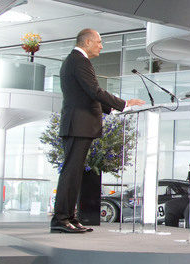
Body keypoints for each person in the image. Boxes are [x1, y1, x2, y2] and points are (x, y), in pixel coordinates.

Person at [51, 29, 143, 233]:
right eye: (99, 42)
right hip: (78, 125)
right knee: (71, 173)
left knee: (74, 175)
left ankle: (69, 217)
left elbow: (87, 95)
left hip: (78, 124)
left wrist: (113, 107)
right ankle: (61, 219)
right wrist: (124, 104)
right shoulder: (79, 61)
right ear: (88, 42)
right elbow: (94, 91)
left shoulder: (74, 61)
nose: (101, 46)